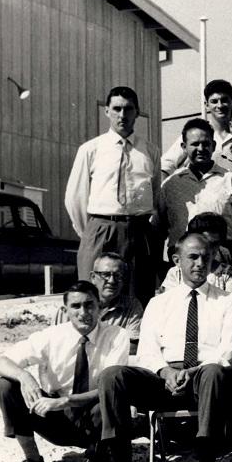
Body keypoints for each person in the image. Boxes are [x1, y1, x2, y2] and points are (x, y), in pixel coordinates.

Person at [93, 232, 232, 462]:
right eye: (192, 257)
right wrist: (166, 372)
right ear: (177, 261)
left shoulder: (228, 301)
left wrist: (190, 372)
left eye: (206, 258)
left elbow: (227, 353)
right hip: (162, 379)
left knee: (214, 372)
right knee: (112, 376)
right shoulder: (159, 302)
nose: (199, 263)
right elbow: (147, 350)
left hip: (203, 379)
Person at [0, 281, 130, 462]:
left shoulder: (116, 335)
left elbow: (112, 387)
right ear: (65, 310)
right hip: (54, 417)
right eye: (75, 306)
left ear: (99, 306)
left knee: (108, 396)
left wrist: (66, 401)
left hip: (94, 416)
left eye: (89, 304)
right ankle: (32, 460)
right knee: (7, 385)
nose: (83, 312)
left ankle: (96, 452)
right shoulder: (52, 335)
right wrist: (24, 376)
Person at [65, 85, 159, 303]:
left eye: (128, 109)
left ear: (137, 112)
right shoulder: (91, 149)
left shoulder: (149, 151)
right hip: (101, 229)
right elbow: (75, 197)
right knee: (93, 296)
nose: (122, 115)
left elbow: (155, 193)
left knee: (138, 296)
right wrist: (91, 232)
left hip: (138, 231)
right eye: (116, 109)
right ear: (106, 111)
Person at [157, 118, 232, 264]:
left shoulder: (230, 179)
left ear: (214, 145)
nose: (201, 149)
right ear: (184, 147)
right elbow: (159, 229)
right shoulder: (171, 184)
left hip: (222, 260)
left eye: (206, 143)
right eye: (195, 144)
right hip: (182, 262)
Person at [53, 253, 144, 355]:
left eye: (118, 275)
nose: (112, 281)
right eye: (106, 274)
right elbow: (54, 345)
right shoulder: (72, 305)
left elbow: (132, 347)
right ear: (93, 277)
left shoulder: (131, 307)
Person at [161, 79, 232, 177]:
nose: (219, 105)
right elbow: (165, 166)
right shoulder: (195, 134)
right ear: (206, 105)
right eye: (214, 101)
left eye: (224, 100)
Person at [160, 213, 232, 297]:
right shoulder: (176, 273)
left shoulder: (228, 274)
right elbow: (168, 305)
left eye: (214, 244)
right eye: (204, 243)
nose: (209, 249)